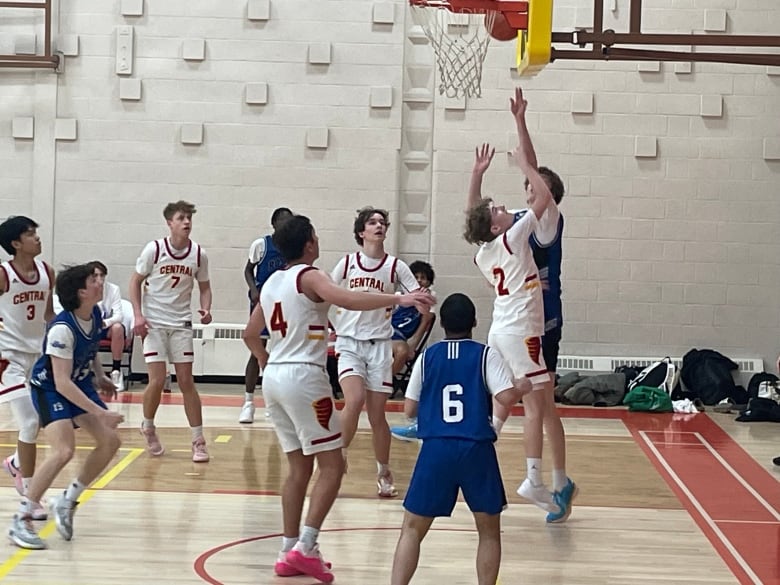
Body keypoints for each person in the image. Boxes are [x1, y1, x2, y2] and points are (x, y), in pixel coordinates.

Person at [243, 214, 434, 582]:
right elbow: (346, 297)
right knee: (333, 466)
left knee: (299, 468)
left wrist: (269, 363)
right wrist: (398, 296)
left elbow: (251, 335)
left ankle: (288, 548)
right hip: (303, 377)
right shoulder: (310, 275)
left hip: (275, 379)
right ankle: (306, 546)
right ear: (310, 244)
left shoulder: (270, 284)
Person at [462, 87, 576, 523]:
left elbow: (536, 182)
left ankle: (557, 480)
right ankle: (543, 476)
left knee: (542, 407)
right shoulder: (513, 230)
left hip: (542, 321)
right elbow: (532, 174)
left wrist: (520, 148)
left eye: (528, 186)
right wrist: (521, 123)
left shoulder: (545, 219)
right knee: (537, 403)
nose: (523, 190)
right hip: (524, 323)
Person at [390, 293, 529, 585]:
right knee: (489, 531)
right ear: (475, 323)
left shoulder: (428, 356)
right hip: (476, 448)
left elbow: (409, 409)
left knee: (412, 529)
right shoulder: (485, 354)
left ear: (441, 324)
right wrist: (520, 387)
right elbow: (505, 397)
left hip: (435, 448)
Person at [7, 263, 124, 550]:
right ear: (82, 292)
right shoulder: (62, 329)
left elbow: (91, 347)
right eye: (94, 278)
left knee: (110, 441)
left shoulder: (95, 313)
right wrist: (99, 412)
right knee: (63, 450)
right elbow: (61, 383)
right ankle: (22, 518)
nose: (100, 281)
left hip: (78, 382)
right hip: (51, 388)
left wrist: (99, 374)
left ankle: (67, 500)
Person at [330, 207, 424, 497]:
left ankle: (383, 470)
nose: (379, 226)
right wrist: (331, 327)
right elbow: (327, 295)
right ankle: (337, 460)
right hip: (349, 343)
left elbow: (418, 297)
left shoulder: (396, 267)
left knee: (376, 415)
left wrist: (423, 301)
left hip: (380, 346)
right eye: (372, 222)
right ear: (361, 232)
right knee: (353, 400)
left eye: (382, 222)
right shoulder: (347, 264)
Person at [129, 200, 212, 462]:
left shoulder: (198, 254)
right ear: (170, 223)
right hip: (154, 323)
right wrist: (138, 315)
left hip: (181, 323)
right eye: (181, 218)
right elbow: (135, 281)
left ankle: (198, 440)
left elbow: (205, 287)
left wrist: (206, 308)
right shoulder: (154, 249)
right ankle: (148, 425)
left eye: (189, 218)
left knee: (186, 381)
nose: (187, 222)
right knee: (157, 378)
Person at [0, 216, 55, 521]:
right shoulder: (3, 274)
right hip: (8, 358)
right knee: (31, 422)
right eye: (30, 234)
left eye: (36, 232)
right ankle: (31, 494)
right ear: (15, 244)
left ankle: (16, 463)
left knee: (41, 422)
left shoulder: (47, 272)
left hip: (37, 357)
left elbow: (47, 316)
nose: (37, 238)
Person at [240, 206, 293, 424]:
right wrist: (253, 289)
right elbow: (247, 270)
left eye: (290, 221)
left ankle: (276, 404)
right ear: (274, 224)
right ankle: (248, 402)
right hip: (263, 302)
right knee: (256, 351)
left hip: (286, 303)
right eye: (282, 220)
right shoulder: (261, 245)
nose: (286, 224)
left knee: (282, 353)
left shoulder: (293, 247)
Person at [390, 260, 436, 441]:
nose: (419, 281)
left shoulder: (429, 299)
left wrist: (413, 345)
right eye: (416, 277)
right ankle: (381, 382)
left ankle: (384, 383)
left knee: (402, 351)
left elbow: (425, 321)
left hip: (402, 338)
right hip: (387, 333)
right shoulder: (399, 296)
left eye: (423, 278)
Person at [87, 261, 127, 391]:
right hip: (89, 326)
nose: (99, 279)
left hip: (105, 327)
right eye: (95, 276)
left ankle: (116, 371)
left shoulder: (113, 289)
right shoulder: (84, 289)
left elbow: (118, 315)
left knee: (118, 328)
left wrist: (104, 323)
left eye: (102, 275)